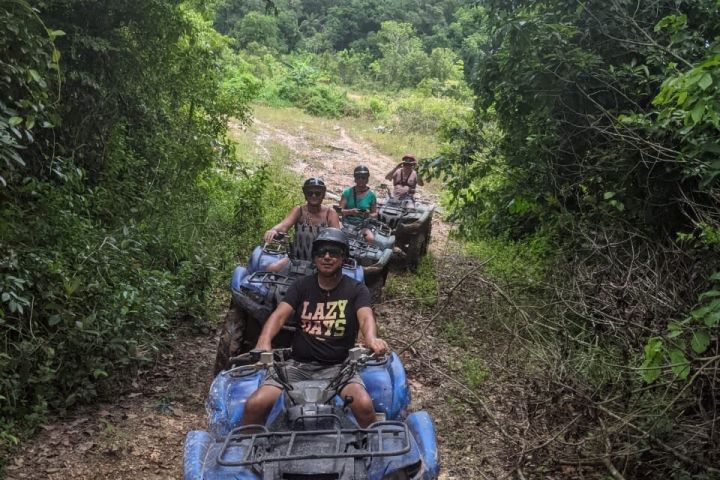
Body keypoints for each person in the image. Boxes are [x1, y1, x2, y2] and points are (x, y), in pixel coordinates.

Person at [242, 228, 389, 429]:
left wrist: (371, 338)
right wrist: (264, 340)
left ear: (343, 257)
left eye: (334, 252)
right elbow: (279, 316)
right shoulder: (301, 286)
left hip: (339, 368)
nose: (327, 257)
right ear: (314, 258)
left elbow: (365, 317)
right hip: (297, 366)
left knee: (364, 406)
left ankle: (372, 454)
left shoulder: (356, 289)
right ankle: (246, 453)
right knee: (255, 405)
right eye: (321, 252)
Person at [263, 177, 341, 271]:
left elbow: (337, 238)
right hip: (296, 259)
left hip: (322, 260)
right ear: (305, 194)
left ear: (323, 194)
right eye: (310, 193)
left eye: (317, 193)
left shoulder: (330, 213)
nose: (314, 196)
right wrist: (273, 230)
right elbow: (284, 225)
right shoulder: (299, 210)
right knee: (270, 269)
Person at [339, 165, 378, 243]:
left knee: (370, 239)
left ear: (367, 179)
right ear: (355, 178)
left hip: (362, 225)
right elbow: (339, 211)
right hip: (345, 222)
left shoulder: (371, 195)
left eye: (363, 178)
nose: (360, 180)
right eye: (358, 177)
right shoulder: (347, 192)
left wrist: (368, 215)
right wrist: (350, 211)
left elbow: (375, 213)